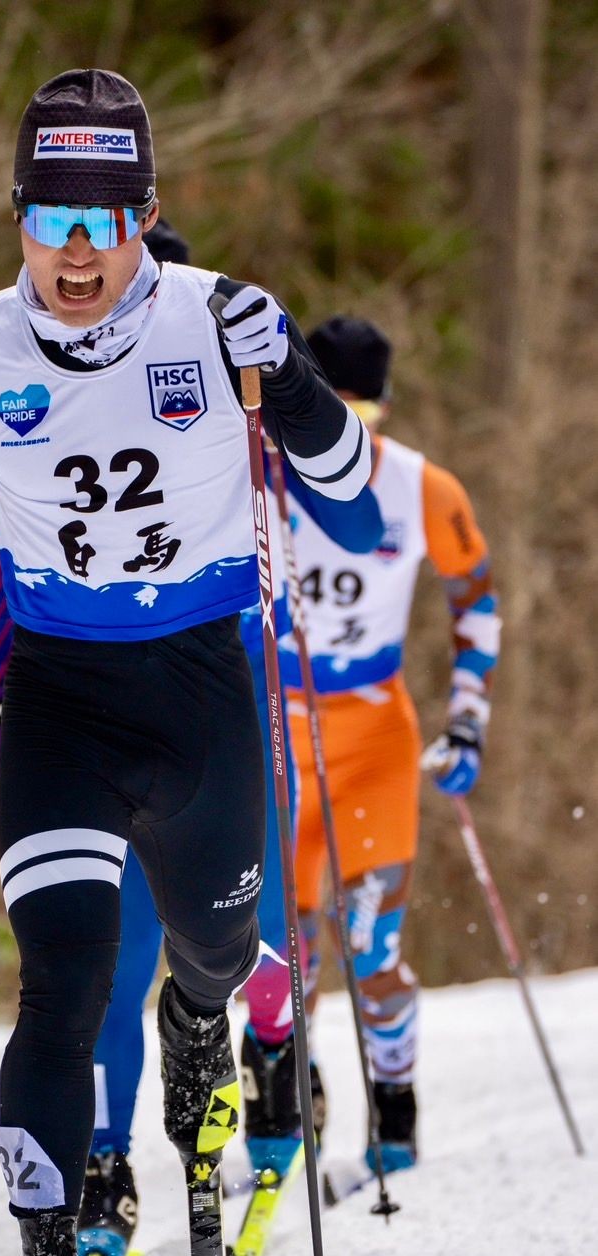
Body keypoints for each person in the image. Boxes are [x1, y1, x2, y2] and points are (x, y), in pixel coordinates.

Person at [0, 69, 372, 1256]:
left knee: (214, 949)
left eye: (107, 216)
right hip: (59, 698)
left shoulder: (218, 325)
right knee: (62, 972)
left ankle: (201, 1026)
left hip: (203, 689)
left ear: (146, 214)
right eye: (54, 214)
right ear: (18, 216)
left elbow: (347, 492)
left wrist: (298, 379)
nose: (80, 249)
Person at [0, 217, 383, 1256]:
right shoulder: (42, 408)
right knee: (105, 958)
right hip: (87, 715)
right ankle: (103, 1155)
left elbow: (345, 516)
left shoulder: (232, 398)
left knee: (236, 927)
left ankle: (277, 1050)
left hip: (221, 694)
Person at [278, 316, 501, 1170]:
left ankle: (395, 1107)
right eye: (323, 413)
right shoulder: (253, 477)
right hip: (278, 738)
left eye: (361, 419)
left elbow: (476, 601)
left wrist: (468, 716)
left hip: (372, 735)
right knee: (283, 961)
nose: (342, 438)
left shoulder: (420, 486)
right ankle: (285, 1106)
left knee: (370, 945)